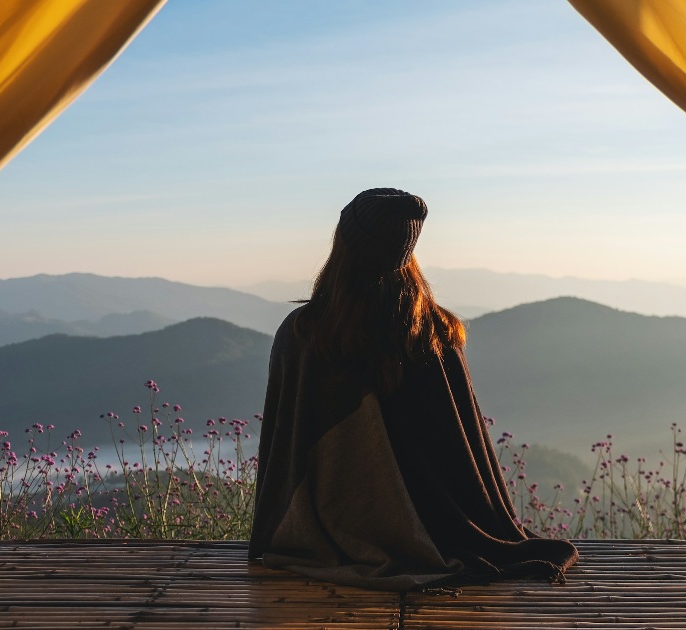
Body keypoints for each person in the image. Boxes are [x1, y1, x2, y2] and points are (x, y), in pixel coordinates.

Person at [248, 188, 578, 590]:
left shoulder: (305, 334)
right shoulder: (437, 333)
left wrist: (271, 529)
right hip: (439, 527)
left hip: (335, 521)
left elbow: (286, 450)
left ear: (343, 245)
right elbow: (459, 451)